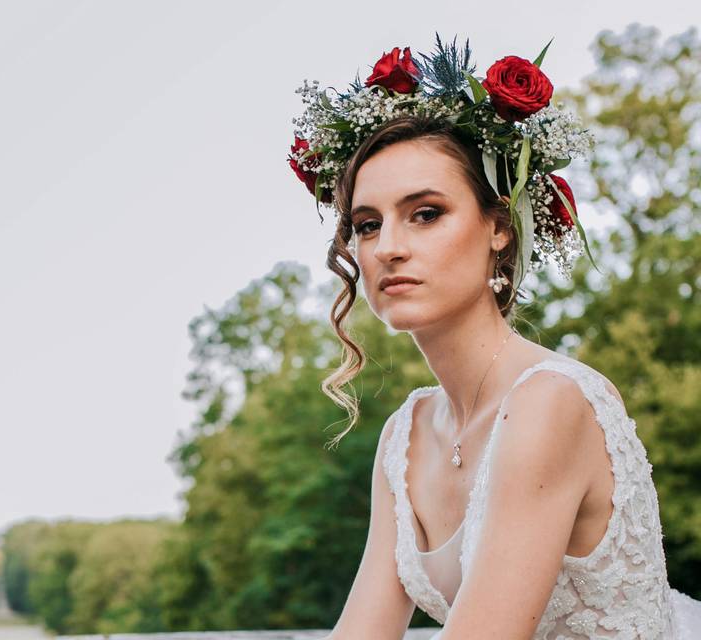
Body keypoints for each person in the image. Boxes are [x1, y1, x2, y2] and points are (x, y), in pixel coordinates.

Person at [287, 35, 701, 639]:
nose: (388, 248)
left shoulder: (549, 402)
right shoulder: (406, 436)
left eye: (425, 213)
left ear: (498, 229)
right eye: (367, 225)